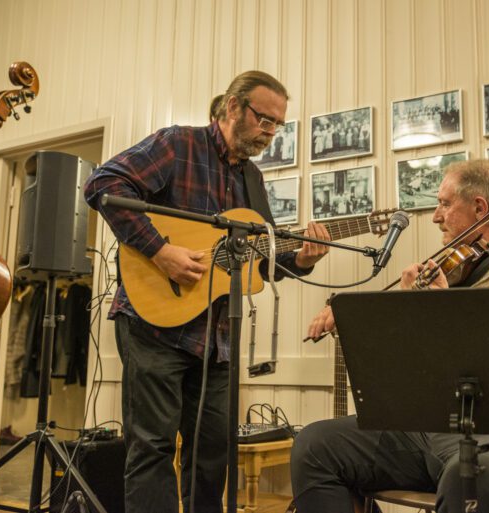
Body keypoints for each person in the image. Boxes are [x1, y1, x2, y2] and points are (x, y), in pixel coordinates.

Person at [84, 70, 331, 513]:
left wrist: (303, 258)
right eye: (264, 119)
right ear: (233, 106)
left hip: (216, 338)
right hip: (153, 326)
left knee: (211, 455)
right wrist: (160, 251)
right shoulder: (178, 144)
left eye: (278, 125)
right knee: (152, 448)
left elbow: (263, 259)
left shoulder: (252, 180)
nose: (270, 132)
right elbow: (104, 185)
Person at [291, 159, 489, 513]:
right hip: (431, 432)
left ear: (479, 208)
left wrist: (437, 309)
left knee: (475, 477)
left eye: (445, 204)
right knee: (314, 445)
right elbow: (413, 367)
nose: (435, 217)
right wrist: (359, 318)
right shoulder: (455, 268)